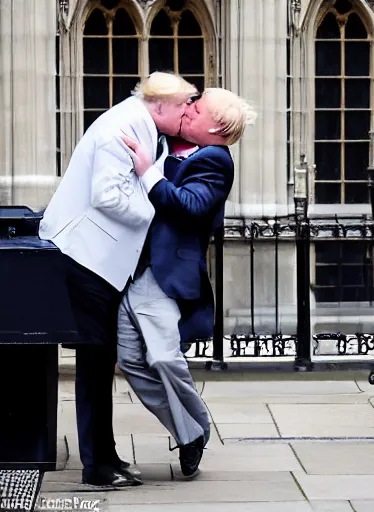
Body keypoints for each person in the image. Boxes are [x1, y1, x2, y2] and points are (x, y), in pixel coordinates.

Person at [39, 72, 198, 487]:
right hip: (87, 261)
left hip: (99, 263)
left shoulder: (141, 126)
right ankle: (96, 467)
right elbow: (107, 196)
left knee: (100, 364)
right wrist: (159, 215)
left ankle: (105, 457)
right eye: (183, 106)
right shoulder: (120, 129)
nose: (187, 114)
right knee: (93, 366)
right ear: (159, 104)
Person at [117, 88, 257, 480]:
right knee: (130, 360)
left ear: (213, 125)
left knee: (162, 357)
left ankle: (197, 426)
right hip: (130, 268)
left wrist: (147, 170)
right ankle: (188, 432)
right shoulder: (171, 141)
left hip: (164, 274)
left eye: (195, 107)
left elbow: (190, 207)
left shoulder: (215, 161)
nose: (188, 108)